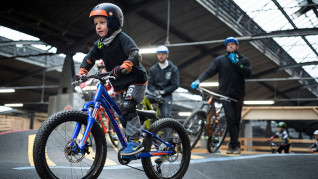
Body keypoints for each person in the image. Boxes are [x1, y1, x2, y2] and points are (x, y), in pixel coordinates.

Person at [74, 3, 148, 156]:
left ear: (113, 22)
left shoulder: (122, 38)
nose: (98, 27)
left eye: (102, 22)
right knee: (120, 112)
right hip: (119, 83)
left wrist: (126, 66)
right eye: (96, 24)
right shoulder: (100, 43)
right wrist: (82, 72)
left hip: (136, 80)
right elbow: (89, 58)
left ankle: (134, 141)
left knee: (127, 106)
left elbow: (135, 54)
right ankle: (133, 129)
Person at [191, 37, 251, 154]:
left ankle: (233, 144)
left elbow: (247, 73)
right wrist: (198, 80)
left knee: (236, 120)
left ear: (237, 46)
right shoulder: (220, 60)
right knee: (230, 118)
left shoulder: (244, 60)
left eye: (233, 44)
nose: (230, 46)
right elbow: (210, 71)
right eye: (228, 45)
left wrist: (237, 63)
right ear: (226, 47)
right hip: (225, 94)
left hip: (238, 95)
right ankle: (234, 145)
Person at [148, 45, 179, 118]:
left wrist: (163, 92)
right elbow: (150, 84)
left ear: (167, 55)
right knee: (143, 100)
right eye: (159, 54)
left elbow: (175, 85)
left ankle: (166, 127)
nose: (160, 56)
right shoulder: (153, 69)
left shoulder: (173, 69)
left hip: (166, 96)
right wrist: (155, 91)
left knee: (165, 116)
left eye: (163, 54)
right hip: (154, 95)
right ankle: (146, 123)